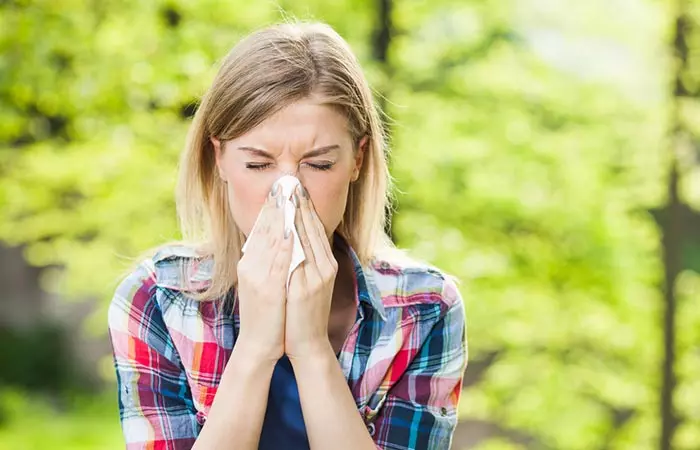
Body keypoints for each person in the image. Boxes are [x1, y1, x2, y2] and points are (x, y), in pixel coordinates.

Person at [107, 20, 467, 450]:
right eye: (258, 165)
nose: (288, 192)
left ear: (357, 159)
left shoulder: (425, 308)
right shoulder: (157, 299)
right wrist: (257, 345)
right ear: (218, 158)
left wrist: (312, 349)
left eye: (318, 164)